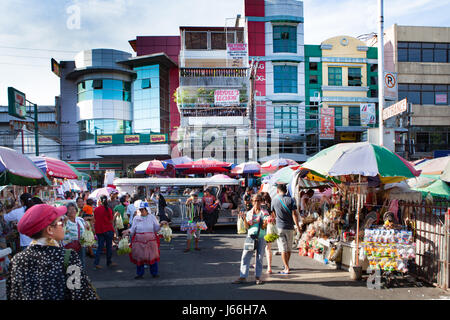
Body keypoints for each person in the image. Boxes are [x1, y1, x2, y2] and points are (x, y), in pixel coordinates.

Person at [6, 204, 98, 300]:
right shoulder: (67, 256)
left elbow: (13, 294)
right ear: (50, 230)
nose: (63, 224)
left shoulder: (17, 260)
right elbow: (80, 293)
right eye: (60, 221)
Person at [233, 193, 269, 285]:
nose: (257, 202)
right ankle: (243, 276)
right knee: (245, 257)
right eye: (255, 201)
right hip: (250, 237)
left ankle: (258, 277)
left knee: (259, 257)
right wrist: (244, 218)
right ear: (252, 202)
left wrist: (265, 222)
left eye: (258, 200)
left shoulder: (264, 213)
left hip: (261, 237)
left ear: (261, 202)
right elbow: (247, 227)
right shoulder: (249, 213)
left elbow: (264, 227)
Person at [122, 201, 161, 279]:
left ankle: (154, 273)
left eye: (142, 209)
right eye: (139, 209)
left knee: (152, 256)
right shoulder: (136, 218)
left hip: (151, 241)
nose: (141, 211)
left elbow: (156, 229)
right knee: (139, 257)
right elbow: (133, 229)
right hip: (139, 241)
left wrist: (162, 225)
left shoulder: (152, 217)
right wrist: (128, 231)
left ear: (146, 209)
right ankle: (140, 274)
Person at [271, 184, 301, 274]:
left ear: (277, 190)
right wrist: (298, 227)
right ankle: (286, 265)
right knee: (288, 248)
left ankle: (286, 267)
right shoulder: (291, 200)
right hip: (290, 227)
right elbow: (294, 214)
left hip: (279, 227)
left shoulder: (274, 200)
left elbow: (273, 214)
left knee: (283, 249)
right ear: (286, 191)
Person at [93, 195, 117, 270]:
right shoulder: (108, 209)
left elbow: (95, 219)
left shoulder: (96, 209)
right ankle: (109, 262)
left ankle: (96, 263)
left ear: (100, 201)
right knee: (109, 247)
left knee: (99, 247)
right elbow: (111, 220)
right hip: (108, 229)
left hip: (99, 230)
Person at [63, 202, 87, 269]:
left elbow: (85, 230)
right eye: (69, 209)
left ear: (76, 210)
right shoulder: (64, 220)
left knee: (81, 263)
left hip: (81, 245)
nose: (72, 211)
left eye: (73, 209)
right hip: (68, 246)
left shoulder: (80, 220)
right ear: (66, 211)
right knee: (70, 264)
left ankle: (81, 277)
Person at [261, 192, 274, 274]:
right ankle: (269, 267)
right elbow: (274, 217)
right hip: (270, 229)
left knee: (258, 248)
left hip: (261, 229)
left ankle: (257, 264)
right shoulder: (271, 206)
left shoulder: (260, 207)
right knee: (268, 249)